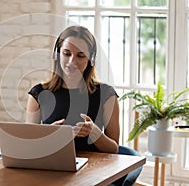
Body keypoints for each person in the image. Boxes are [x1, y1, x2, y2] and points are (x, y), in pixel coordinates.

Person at [26, 25, 142, 185]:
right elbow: (29, 147)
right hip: (51, 174)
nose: (72, 61)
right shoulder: (39, 93)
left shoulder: (106, 95)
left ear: (90, 59)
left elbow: (114, 150)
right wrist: (51, 135)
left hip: (93, 176)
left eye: (80, 56)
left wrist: (96, 134)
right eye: (66, 54)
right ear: (57, 54)